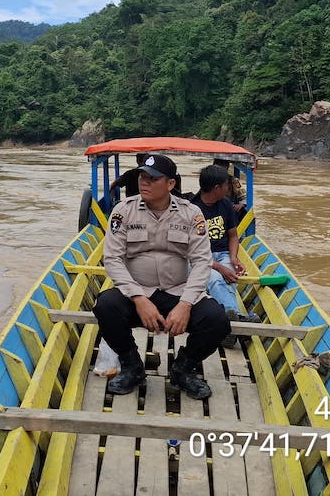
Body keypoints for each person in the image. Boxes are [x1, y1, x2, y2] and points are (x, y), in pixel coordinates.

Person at [93, 154, 229, 399]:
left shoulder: (191, 213)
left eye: (153, 178)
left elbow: (201, 262)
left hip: (178, 290)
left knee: (217, 320)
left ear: (170, 184)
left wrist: (186, 304)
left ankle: (183, 369)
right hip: (138, 291)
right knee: (105, 306)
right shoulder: (123, 211)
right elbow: (112, 259)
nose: (144, 182)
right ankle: (132, 366)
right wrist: (138, 298)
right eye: (142, 177)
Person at [189, 164, 259, 347]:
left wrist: (234, 258)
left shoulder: (225, 204)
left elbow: (233, 235)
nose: (229, 189)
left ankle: (228, 324)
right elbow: (191, 251)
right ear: (217, 188)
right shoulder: (191, 209)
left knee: (230, 278)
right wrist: (220, 268)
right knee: (215, 279)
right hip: (199, 259)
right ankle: (239, 320)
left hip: (223, 253)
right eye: (226, 186)